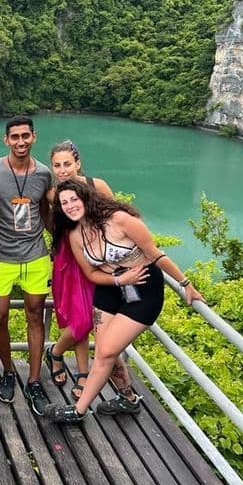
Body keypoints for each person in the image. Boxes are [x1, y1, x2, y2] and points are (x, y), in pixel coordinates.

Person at [47, 180, 203, 423]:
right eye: (63, 202)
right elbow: (90, 274)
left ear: (86, 198)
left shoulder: (119, 220)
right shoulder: (74, 234)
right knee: (104, 353)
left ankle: (78, 410)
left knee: (106, 352)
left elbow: (155, 254)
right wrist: (119, 279)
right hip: (111, 288)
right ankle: (128, 399)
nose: (70, 206)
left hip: (142, 288)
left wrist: (186, 285)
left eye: (74, 199)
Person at [0, 116, 53, 414]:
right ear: (5, 140)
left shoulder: (44, 174)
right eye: (15, 137)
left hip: (35, 254)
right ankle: (8, 371)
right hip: (2, 256)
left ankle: (33, 380)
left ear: (34, 137)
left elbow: (47, 209)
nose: (20, 142)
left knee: (35, 314)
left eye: (25, 136)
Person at [46, 140, 114, 401]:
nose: (62, 170)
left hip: (95, 257)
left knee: (89, 315)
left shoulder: (97, 186)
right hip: (67, 259)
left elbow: (116, 218)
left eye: (67, 164)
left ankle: (56, 352)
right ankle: (82, 371)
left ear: (78, 163)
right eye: (57, 165)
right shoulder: (53, 194)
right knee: (79, 316)